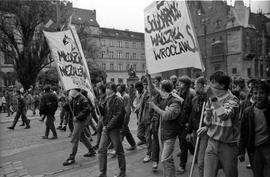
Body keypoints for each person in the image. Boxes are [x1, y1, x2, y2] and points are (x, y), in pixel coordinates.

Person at [198, 71, 240, 177]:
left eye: (213, 82)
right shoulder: (211, 98)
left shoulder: (232, 99)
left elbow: (224, 116)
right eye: (210, 82)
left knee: (231, 174)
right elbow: (208, 121)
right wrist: (206, 124)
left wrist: (212, 97)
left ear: (222, 85)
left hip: (228, 145)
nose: (210, 84)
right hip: (212, 142)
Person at [148, 78, 182, 177]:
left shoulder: (175, 101)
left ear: (164, 89)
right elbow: (152, 89)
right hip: (162, 131)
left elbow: (167, 115)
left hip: (170, 134)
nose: (159, 89)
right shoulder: (164, 97)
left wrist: (155, 107)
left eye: (160, 88)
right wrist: (148, 77)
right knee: (167, 159)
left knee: (165, 158)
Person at [239, 80, 270, 177]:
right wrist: (241, 151)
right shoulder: (248, 112)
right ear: (251, 94)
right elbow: (243, 133)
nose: (258, 96)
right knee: (257, 174)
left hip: (268, 148)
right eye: (255, 93)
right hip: (254, 150)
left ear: (267, 94)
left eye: (261, 93)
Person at [97, 82, 126, 177]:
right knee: (101, 150)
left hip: (114, 129)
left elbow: (118, 115)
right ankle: (102, 173)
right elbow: (104, 112)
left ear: (112, 89)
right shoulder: (107, 99)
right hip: (106, 128)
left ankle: (122, 172)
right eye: (106, 88)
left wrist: (108, 126)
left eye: (108, 88)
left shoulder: (118, 99)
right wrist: (98, 105)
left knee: (119, 150)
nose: (106, 89)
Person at [63, 88, 96, 166]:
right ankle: (91, 150)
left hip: (81, 120)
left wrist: (78, 117)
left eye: (72, 90)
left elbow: (87, 110)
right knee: (81, 137)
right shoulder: (74, 98)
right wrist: (66, 102)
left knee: (74, 138)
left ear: (76, 91)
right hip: (77, 120)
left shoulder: (82, 98)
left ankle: (71, 157)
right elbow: (68, 108)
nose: (71, 91)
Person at [186, 77, 208, 177]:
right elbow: (192, 116)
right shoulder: (194, 99)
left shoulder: (208, 98)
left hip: (205, 132)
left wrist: (206, 97)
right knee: (198, 155)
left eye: (195, 84)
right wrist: (189, 131)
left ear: (201, 85)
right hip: (195, 132)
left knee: (201, 161)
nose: (194, 86)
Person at [177, 75, 194, 174]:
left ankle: (182, 165)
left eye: (181, 83)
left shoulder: (191, 94)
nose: (179, 84)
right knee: (184, 141)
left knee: (183, 144)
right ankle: (193, 151)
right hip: (180, 121)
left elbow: (192, 112)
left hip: (187, 122)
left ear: (186, 85)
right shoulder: (180, 92)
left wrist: (189, 125)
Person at [119, 84, 136, 151]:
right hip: (123, 116)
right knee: (126, 132)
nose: (117, 89)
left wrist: (125, 118)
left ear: (122, 89)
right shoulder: (123, 96)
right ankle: (133, 144)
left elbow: (127, 109)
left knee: (121, 133)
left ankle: (117, 149)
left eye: (119, 88)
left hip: (125, 117)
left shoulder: (125, 96)